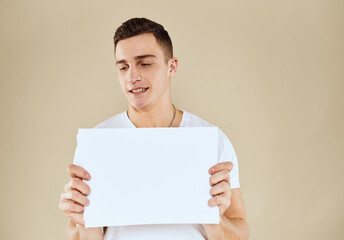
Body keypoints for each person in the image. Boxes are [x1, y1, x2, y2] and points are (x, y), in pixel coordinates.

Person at [59, 17, 249, 240]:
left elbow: (240, 233)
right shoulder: (97, 144)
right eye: (123, 66)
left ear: (172, 66)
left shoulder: (211, 141)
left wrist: (215, 219)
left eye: (145, 63)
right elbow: (84, 235)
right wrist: (82, 221)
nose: (132, 76)